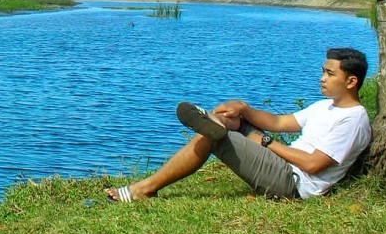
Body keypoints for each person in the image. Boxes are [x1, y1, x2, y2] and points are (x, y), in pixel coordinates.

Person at [106, 48, 371, 203]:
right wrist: (244, 110)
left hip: (292, 184)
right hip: (283, 167)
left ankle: (145, 188)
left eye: (330, 74)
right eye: (323, 71)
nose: (321, 78)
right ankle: (217, 120)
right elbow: (279, 122)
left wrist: (265, 142)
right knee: (235, 121)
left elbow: (314, 165)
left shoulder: (353, 119)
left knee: (217, 136)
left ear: (351, 82)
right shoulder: (324, 106)